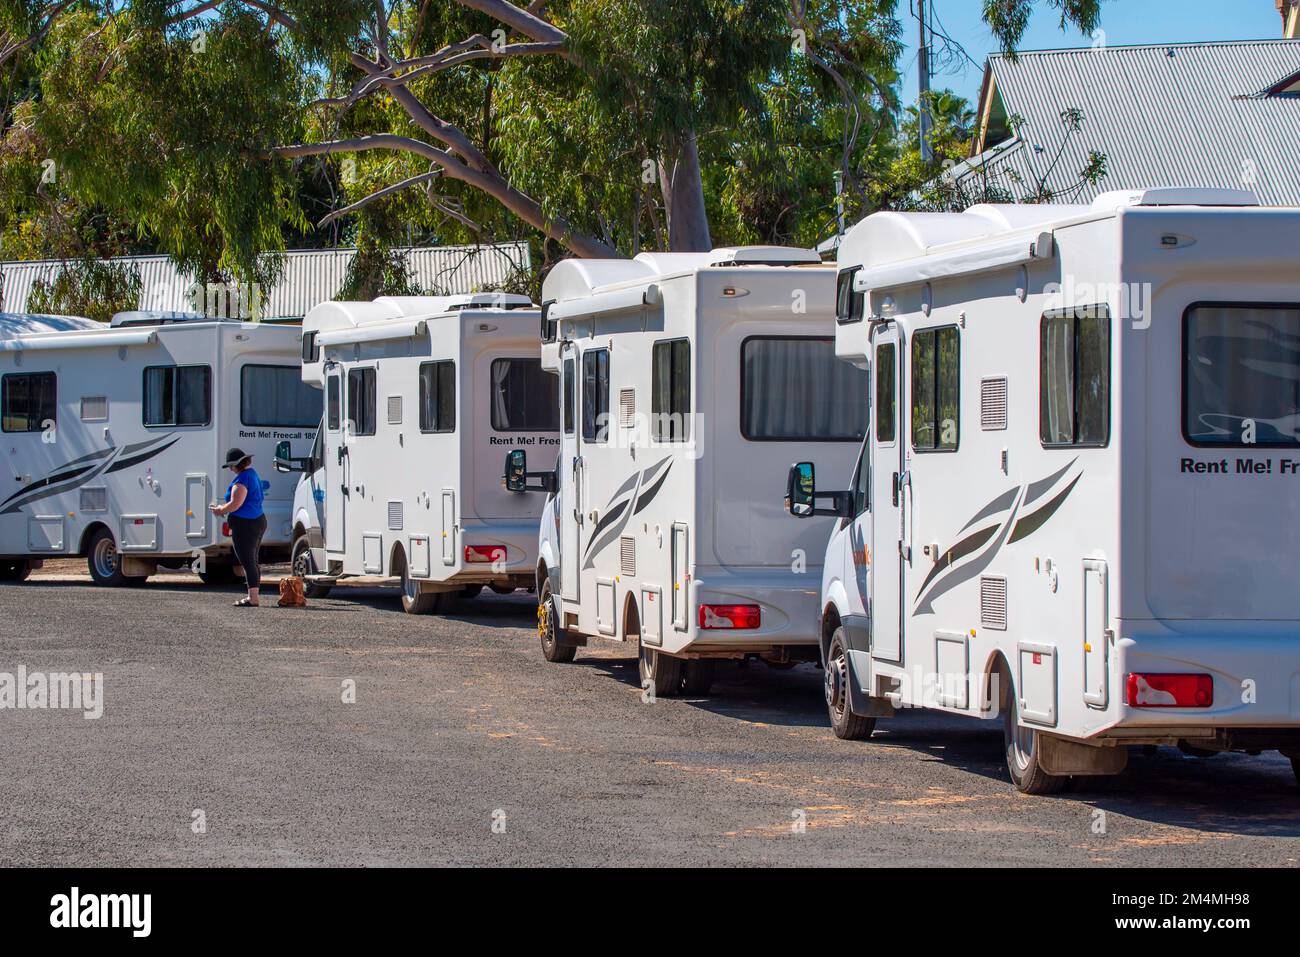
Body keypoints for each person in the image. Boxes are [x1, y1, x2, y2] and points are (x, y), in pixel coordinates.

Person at [210, 447, 267, 607]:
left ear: (236, 465)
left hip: (245, 524)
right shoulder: (253, 474)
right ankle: (253, 596)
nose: (230, 469)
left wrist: (220, 509)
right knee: (252, 561)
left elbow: (236, 504)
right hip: (258, 519)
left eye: (230, 466)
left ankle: (253, 598)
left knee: (248, 561)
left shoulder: (242, 480)